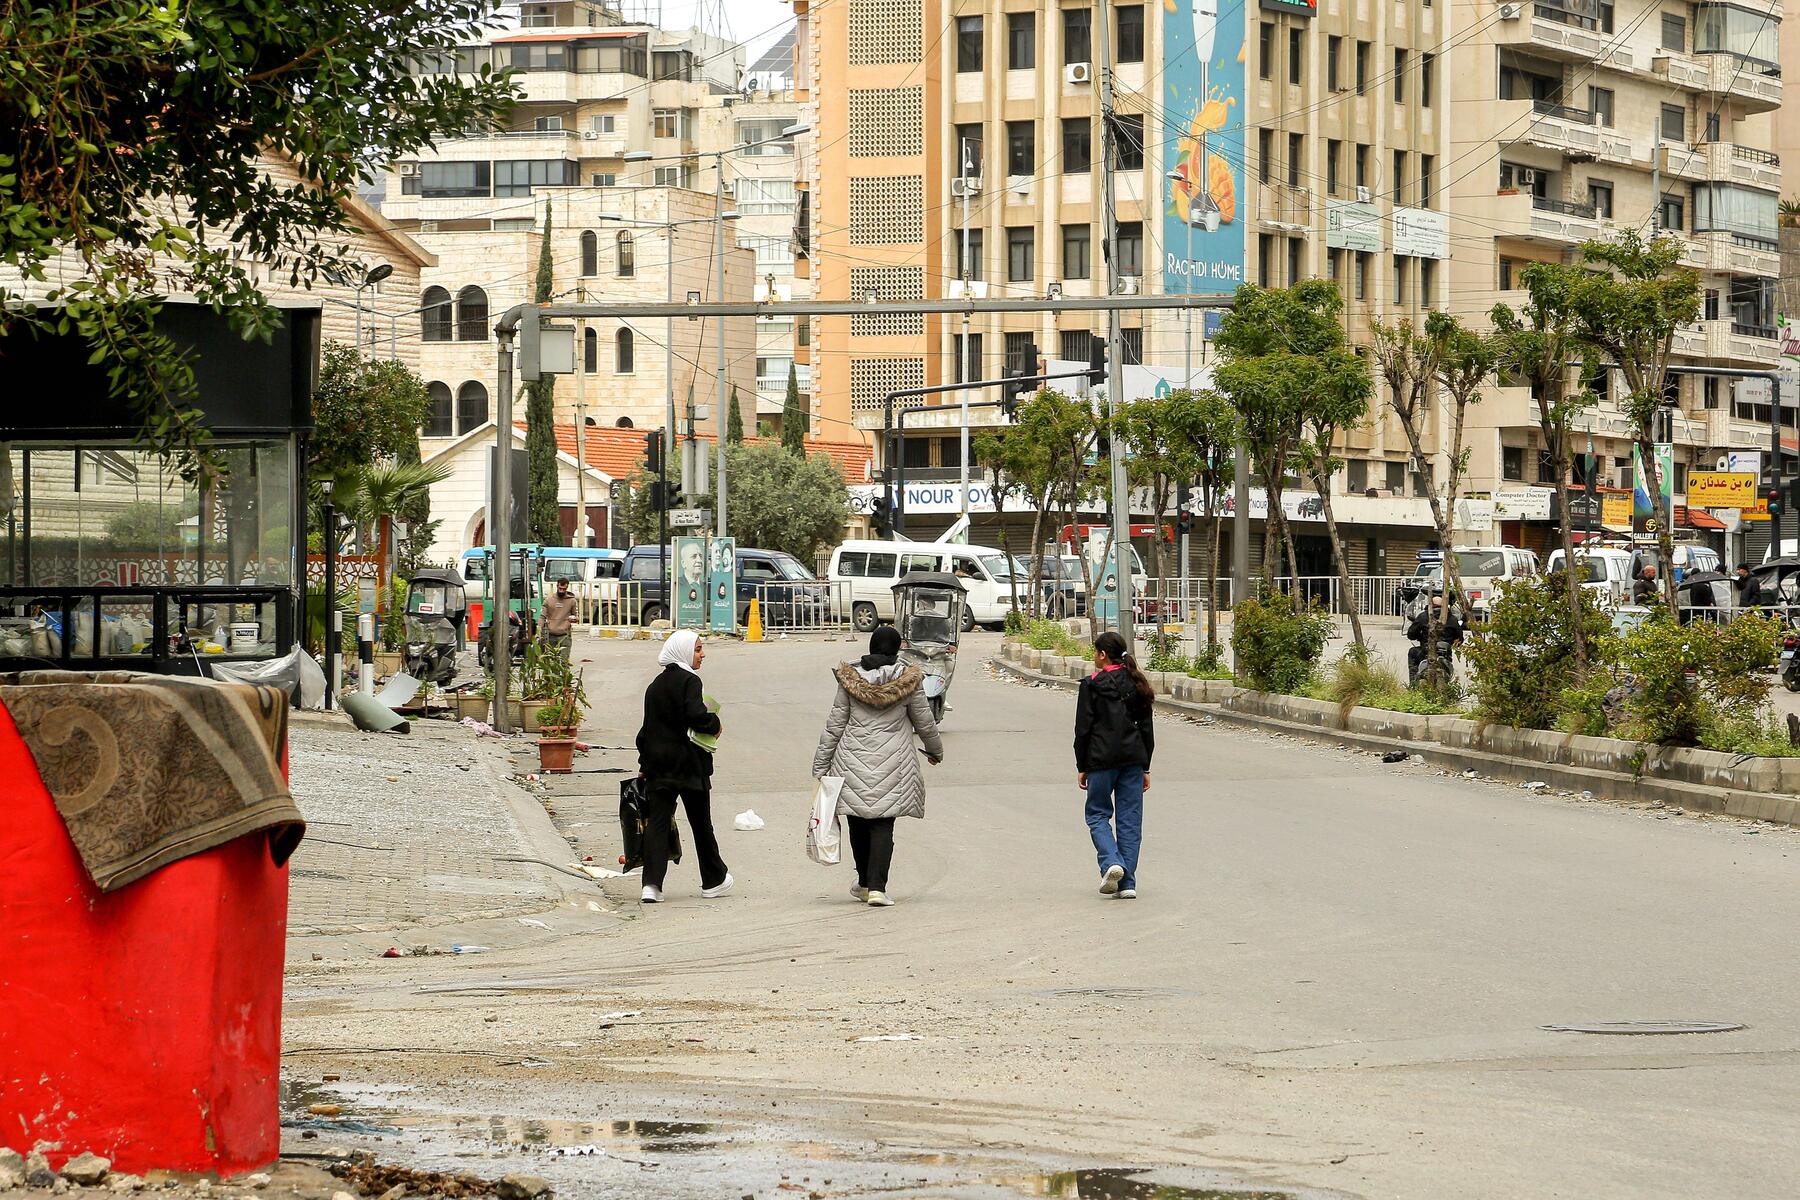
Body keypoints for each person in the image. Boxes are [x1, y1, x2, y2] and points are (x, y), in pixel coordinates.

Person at [812, 626, 943, 907]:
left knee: (858, 822)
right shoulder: (909, 680)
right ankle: (877, 888)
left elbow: (835, 724)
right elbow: (924, 721)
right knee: (883, 824)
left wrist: (821, 765)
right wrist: (935, 751)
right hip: (894, 763)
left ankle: (863, 882)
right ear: (897, 649)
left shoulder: (850, 679)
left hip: (852, 761)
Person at [634, 630, 731, 904]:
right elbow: (696, 715)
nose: (702, 655)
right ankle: (713, 880)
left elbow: (646, 732)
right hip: (689, 765)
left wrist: (644, 764)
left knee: (657, 824)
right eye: (698, 649)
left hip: (658, 767)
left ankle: (651, 885)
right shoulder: (690, 681)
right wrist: (715, 724)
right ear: (684, 652)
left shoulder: (654, 686)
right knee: (701, 824)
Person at [1073, 631, 1154, 900]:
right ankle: (1127, 883)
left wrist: (1082, 764)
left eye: (1095, 652)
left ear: (1103, 654)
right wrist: (1145, 766)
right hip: (1133, 760)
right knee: (1130, 820)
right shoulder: (1137, 683)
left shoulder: (1091, 685)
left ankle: (1111, 862)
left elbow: (1083, 729)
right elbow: (1146, 728)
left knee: (1097, 814)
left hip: (1100, 760)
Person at [1406, 593, 1464, 683]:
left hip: (1425, 652)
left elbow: (1411, 634)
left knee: (1412, 652)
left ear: (1430, 605)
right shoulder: (1452, 619)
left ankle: (1413, 683)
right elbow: (1459, 638)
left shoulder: (1423, 616)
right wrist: (1450, 643)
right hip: (1445, 654)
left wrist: (1419, 636)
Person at [540, 577, 579, 662]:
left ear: (567, 588)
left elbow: (576, 616)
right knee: (552, 662)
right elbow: (542, 617)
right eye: (560, 588)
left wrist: (574, 619)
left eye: (564, 589)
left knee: (564, 662)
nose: (561, 591)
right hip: (551, 636)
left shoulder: (572, 601)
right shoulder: (549, 600)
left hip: (565, 636)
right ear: (557, 586)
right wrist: (538, 631)